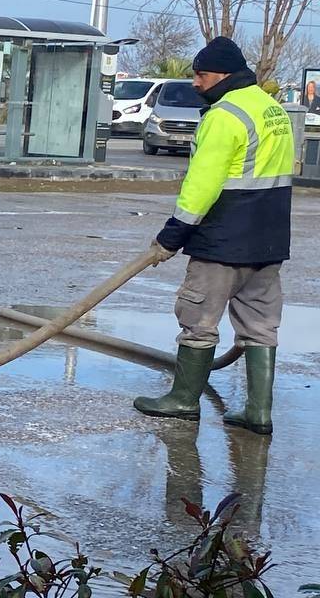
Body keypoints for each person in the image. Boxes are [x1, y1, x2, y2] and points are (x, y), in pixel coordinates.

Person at [134, 37, 293, 436]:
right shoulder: (272, 109)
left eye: (201, 74)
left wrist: (173, 235)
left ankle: (184, 400)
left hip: (223, 238)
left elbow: (202, 184)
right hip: (268, 240)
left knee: (198, 319)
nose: (195, 82)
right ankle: (258, 412)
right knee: (260, 325)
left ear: (223, 74)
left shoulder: (224, 116)